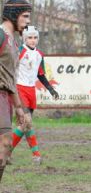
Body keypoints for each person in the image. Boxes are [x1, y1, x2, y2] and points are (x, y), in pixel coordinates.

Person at [0, 0, 32, 193]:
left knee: (5, 146)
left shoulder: (14, 41)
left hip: (6, 98)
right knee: (3, 145)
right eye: (25, 16)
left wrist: (19, 108)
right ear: (13, 15)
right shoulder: (0, 35)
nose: (28, 22)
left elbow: (11, 78)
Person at [10, 25, 59, 164]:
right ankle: (36, 155)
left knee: (24, 125)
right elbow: (9, 67)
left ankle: (6, 152)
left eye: (35, 37)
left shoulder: (39, 55)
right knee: (27, 122)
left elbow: (41, 74)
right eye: (29, 37)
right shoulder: (19, 51)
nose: (33, 40)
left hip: (31, 91)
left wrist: (51, 89)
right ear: (24, 39)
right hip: (20, 89)